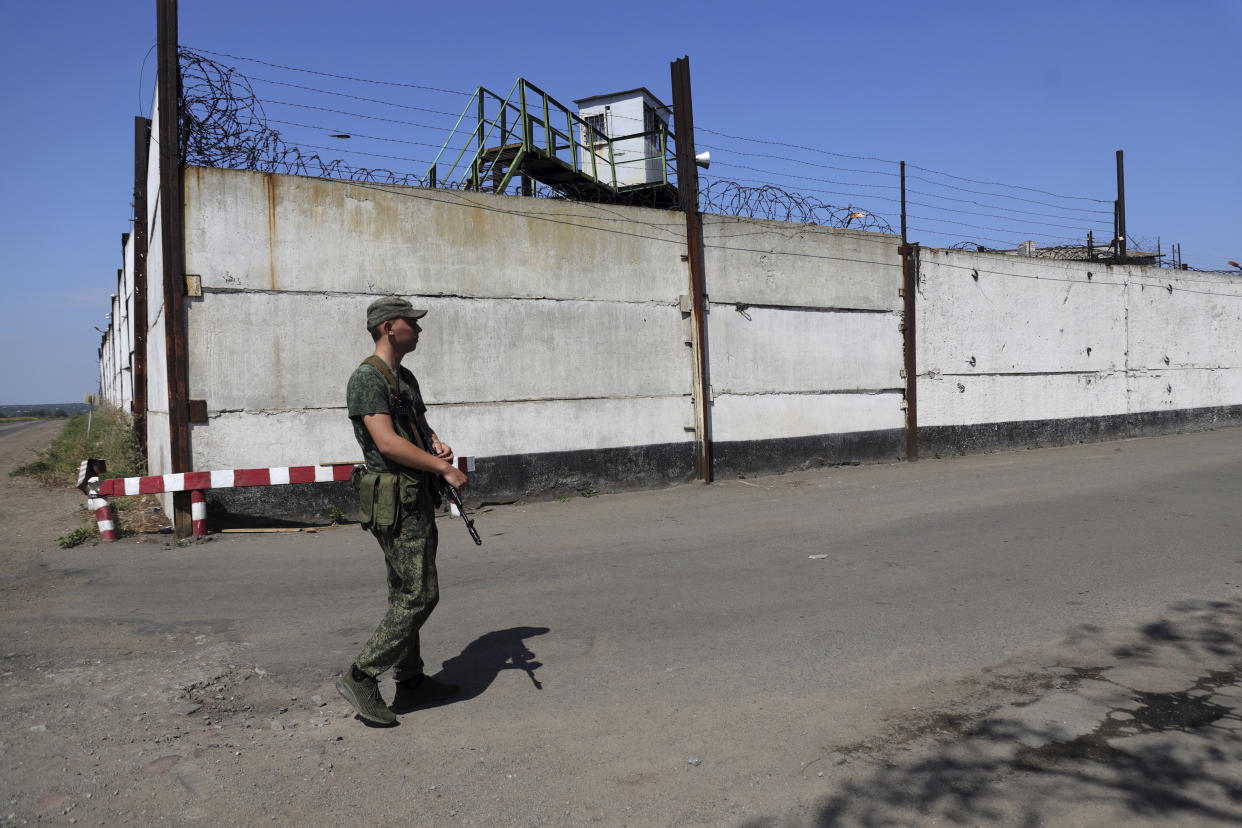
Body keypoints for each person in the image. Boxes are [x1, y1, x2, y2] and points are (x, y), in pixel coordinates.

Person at [336, 296, 469, 726]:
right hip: (395, 499)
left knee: (404, 591)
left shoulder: (403, 377)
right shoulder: (366, 379)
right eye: (413, 322)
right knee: (419, 594)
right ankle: (362, 674)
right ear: (391, 327)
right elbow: (387, 443)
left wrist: (435, 442)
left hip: (413, 494)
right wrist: (444, 468)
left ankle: (410, 680)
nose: (419, 329)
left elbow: (414, 428)